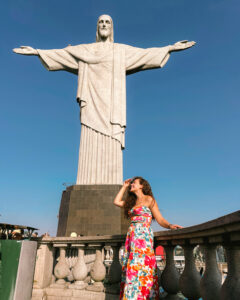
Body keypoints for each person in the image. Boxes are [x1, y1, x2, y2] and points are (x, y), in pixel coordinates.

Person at [13, 15, 195, 185]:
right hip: (91, 102)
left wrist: (170, 47)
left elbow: (145, 54)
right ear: (97, 27)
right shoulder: (84, 50)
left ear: (112, 27)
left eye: (107, 22)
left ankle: (110, 180)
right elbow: (62, 54)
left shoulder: (120, 51)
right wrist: (37, 52)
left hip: (112, 106)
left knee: (111, 142)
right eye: (101, 22)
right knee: (89, 139)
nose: (104, 25)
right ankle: (86, 181)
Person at [113, 177, 182, 300]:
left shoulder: (149, 199)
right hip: (133, 236)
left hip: (144, 237)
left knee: (144, 267)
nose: (132, 184)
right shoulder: (131, 202)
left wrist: (170, 226)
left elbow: (160, 219)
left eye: (135, 182)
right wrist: (124, 186)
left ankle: (145, 296)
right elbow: (116, 201)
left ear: (142, 186)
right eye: (132, 182)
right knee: (133, 268)